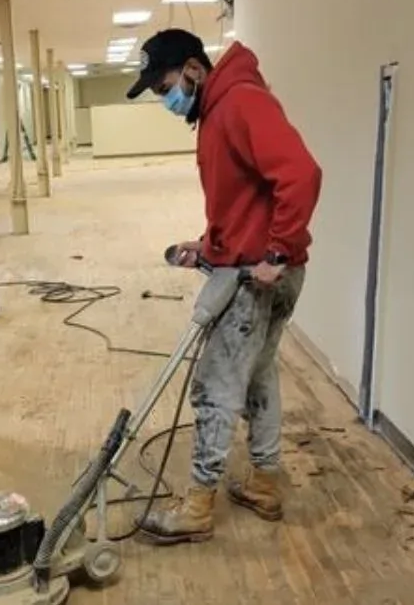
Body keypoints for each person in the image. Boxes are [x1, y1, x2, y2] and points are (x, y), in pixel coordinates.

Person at [126, 29, 322, 543]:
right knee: (258, 377)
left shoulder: (239, 102)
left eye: (165, 86)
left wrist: (276, 252)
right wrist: (209, 245)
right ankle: (264, 483)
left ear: (193, 69)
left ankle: (196, 508)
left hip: (257, 278)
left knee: (214, 387)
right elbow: (245, 201)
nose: (165, 99)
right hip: (256, 266)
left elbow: (301, 174)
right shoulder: (219, 108)